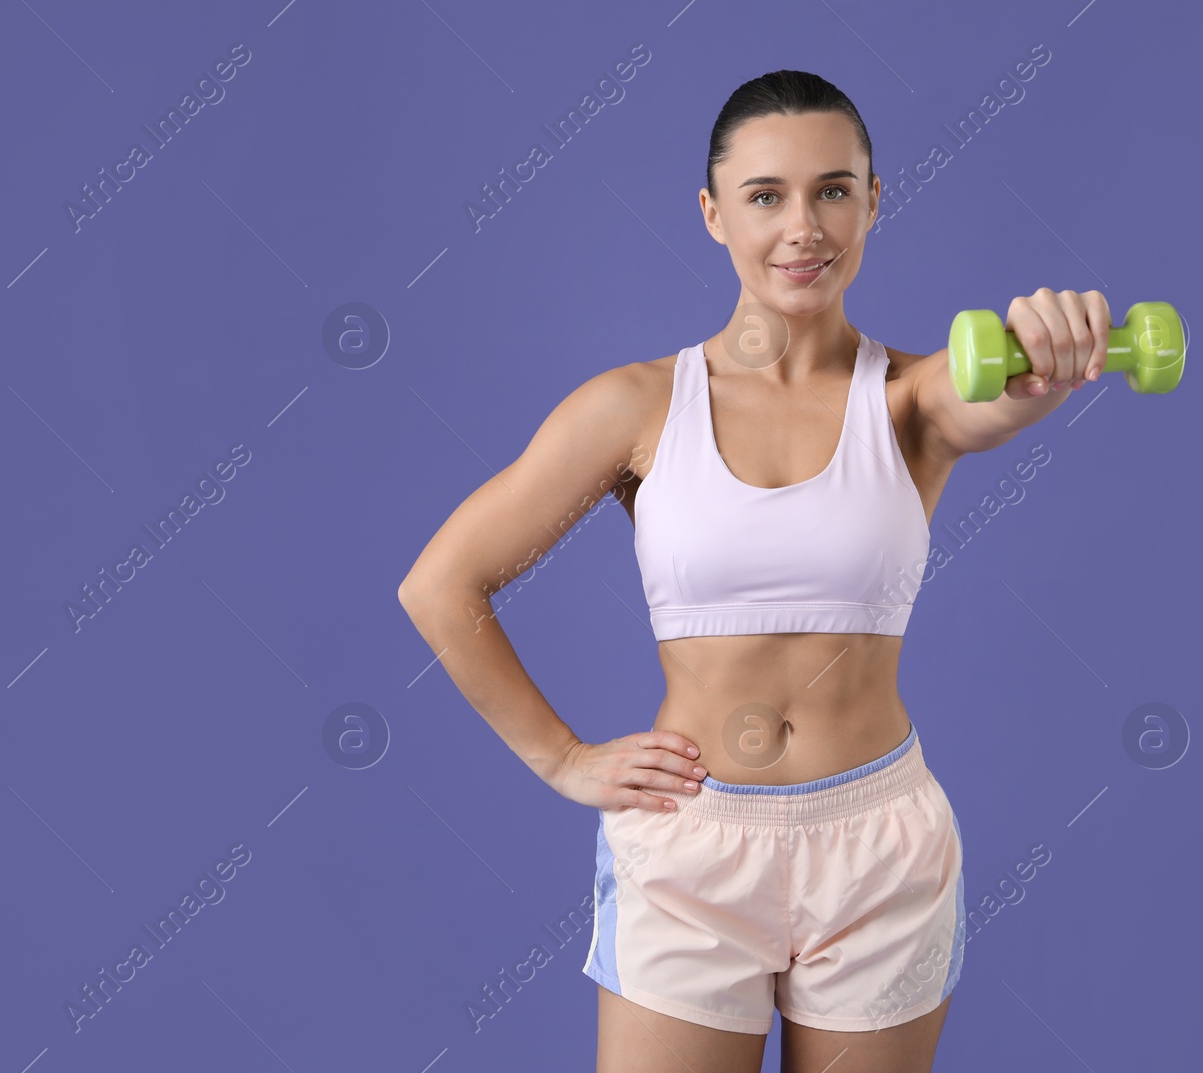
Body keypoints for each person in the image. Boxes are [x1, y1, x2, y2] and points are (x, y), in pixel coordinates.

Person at [398, 69, 1108, 1073]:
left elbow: (998, 391)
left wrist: (1050, 352)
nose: (802, 226)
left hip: (879, 846)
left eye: (832, 190)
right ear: (712, 214)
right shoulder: (634, 407)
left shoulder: (914, 396)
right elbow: (441, 583)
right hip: (691, 848)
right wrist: (560, 756)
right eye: (765, 195)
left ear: (872, 200)